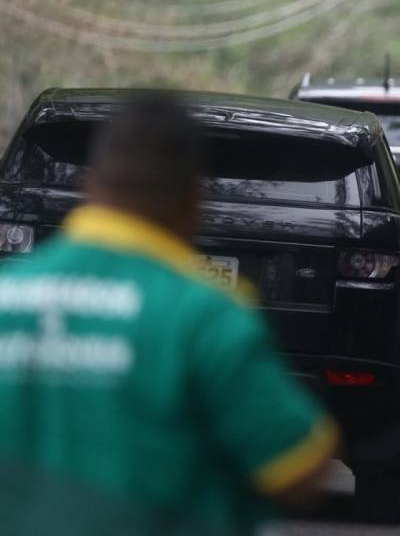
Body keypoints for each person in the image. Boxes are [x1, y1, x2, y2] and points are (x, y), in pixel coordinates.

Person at [0, 93, 337, 536]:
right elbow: (300, 466)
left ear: (91, 188)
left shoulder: (9, 297)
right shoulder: (204, 314)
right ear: (194, 199)